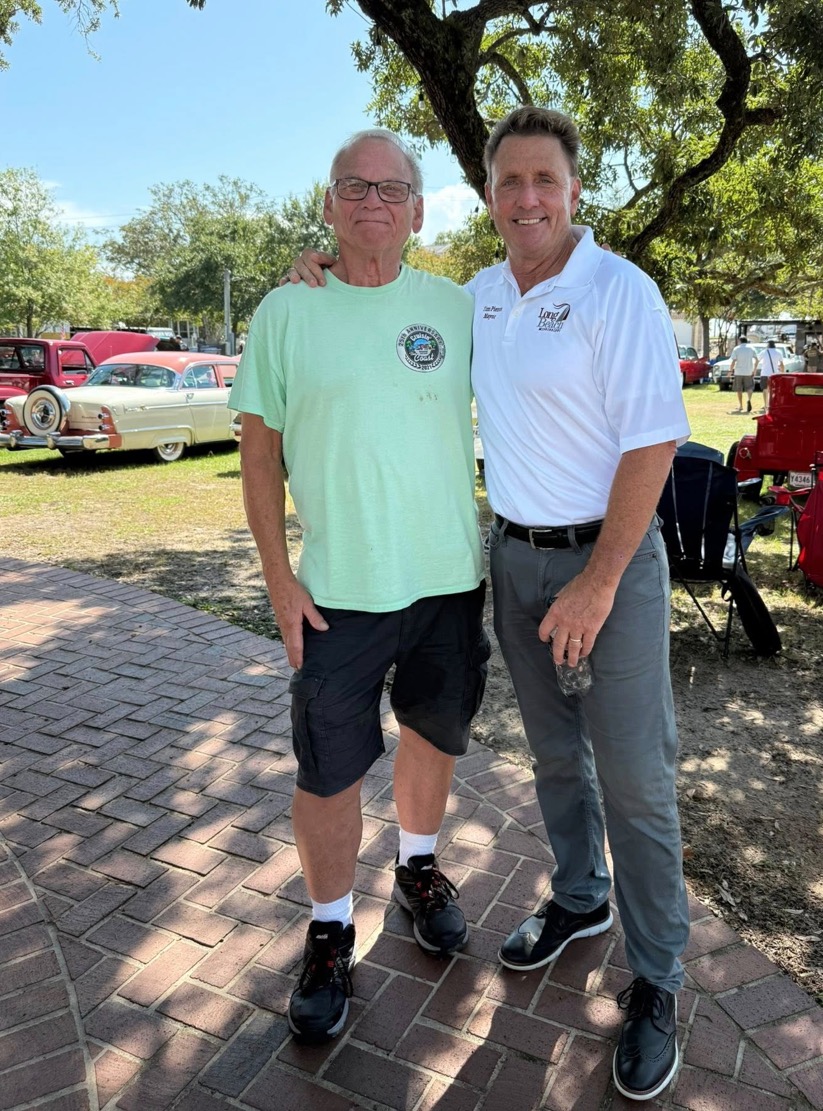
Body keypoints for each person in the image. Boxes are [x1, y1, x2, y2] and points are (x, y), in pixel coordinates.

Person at [291, 106, 691, 1103]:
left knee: (636, 778)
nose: (525, 198)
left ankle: (656, 980)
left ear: (572, 189)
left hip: (610, 564)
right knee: (555, 753)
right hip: (510, 561)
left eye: (543, 180)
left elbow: (652, 445)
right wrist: (323, 275)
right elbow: (386, 318)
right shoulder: (476, 298)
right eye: (507, 182)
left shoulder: (618, 290)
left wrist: (600, 581)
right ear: (486, 197)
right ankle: (580, 896)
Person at [229, 128, 488, 1046]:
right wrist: (277, 575)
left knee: (432, 737)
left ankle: (417, 870)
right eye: (354, 187)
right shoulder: (284, 312)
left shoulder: (460, 307)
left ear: (419, 211)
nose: (373, 202)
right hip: (336, 591)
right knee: (329, 768)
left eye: (392, 189)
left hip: (449, 583)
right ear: (329, 204)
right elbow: (257, 452)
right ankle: (332, 926)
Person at [727, 334, 758, 413]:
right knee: (750, 387)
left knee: (739, 389)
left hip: (738, 372)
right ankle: (749, 400)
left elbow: (733, 361)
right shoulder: (751, 348)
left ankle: (741, 405)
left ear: (739, 341)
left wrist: (730, 371)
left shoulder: (736, 349)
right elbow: (757, 360)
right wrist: (754, 370)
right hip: (748, 371)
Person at [756, 339, 784, 412]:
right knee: (774, 390)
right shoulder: (778, 352)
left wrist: (754, 370)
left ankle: (766, 404)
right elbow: (781, 364)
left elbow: (757, 360)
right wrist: (782, 373)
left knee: (765, 389)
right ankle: (773, 404)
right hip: (775, 374)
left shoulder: (764, 352)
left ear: (768, 344)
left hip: (764, 373)